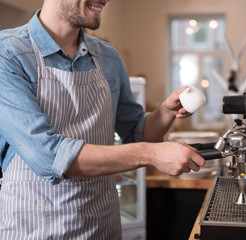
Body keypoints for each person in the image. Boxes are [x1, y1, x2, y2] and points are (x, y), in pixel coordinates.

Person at [0, 0, 205, 239]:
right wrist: (151, 154)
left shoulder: (108, 57)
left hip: (102, 227)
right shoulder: (8, 54)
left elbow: (136, 133)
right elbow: (48, 156)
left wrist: (166, 112)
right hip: (35, 230)